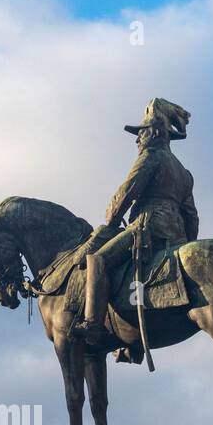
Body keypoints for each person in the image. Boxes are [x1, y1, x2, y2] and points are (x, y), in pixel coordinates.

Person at [71, 98, 199, 344]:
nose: (137, 139)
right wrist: (188, 244)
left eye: (141, 133)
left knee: (98, 260)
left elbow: (127, 193)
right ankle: (131, 344)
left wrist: (112, 219)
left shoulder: (150, 157)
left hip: (147, 227)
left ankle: (93, 323)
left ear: (154, 133)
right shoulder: (184, 172)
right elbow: (191, 215)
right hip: (177, 236)